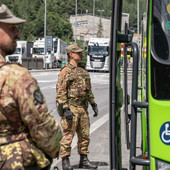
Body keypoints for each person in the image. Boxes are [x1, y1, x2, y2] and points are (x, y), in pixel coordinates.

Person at [0, 4, 62, 170]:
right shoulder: (16, 76)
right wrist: (51, 151)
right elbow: (42, 127)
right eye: (11, 28)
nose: (17, 33)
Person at [56, 43, 99, 170]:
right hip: (71, 108)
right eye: (78, 52)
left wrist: (93, 104)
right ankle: (65, 161)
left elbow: (88, 90)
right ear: (71, 54)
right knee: (68, 135)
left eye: (81, 52)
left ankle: (84, 160)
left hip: (83, 109)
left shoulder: (83, 71)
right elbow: (60, 92)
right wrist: (65, 108)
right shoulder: (65, 71)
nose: (81, 54)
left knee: (85, 135)